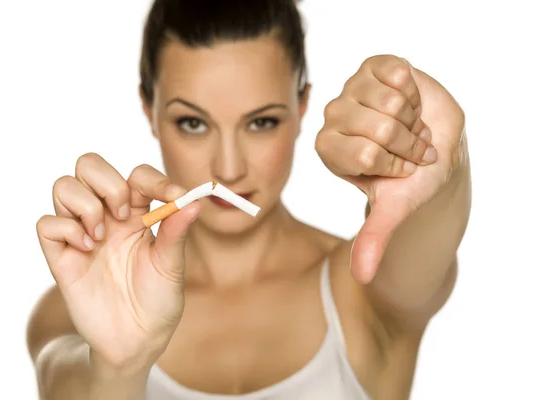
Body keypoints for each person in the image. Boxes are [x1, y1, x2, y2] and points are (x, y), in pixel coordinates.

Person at [27, 0, 471, 399]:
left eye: (260, 122)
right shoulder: (83, 306)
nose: (229, 168)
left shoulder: (363, 289)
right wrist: (116, 367)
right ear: (150, 110)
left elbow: (427, 237)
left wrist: (439, 164)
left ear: (301, 107)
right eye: (193, 123)